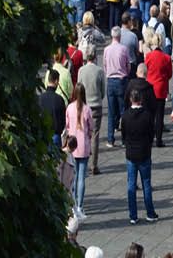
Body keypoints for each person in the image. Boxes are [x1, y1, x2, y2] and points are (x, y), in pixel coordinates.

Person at [122, 89, 158, 225]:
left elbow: (124, 135)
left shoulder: (125, 116)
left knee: (131, 185)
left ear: (131, 100)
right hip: (144, 153)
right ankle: (150, 213)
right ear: (141, 99)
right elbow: (151, 134)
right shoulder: (147, 115)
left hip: (131, 154)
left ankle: (133, 215)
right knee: (146, 184)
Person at [64, 83, 93, 220]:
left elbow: (67, 125)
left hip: (73, 145)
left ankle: (74, 205)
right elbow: (91, 128)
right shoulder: (87, 109)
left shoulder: (69, 108)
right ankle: (80, 206)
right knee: (81, 177)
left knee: (73, 177)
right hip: (84, 145)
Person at [77, 45, 106, 175]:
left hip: (84, 105)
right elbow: (103, 91)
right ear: (95, 56)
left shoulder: (81, 71)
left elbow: (78, 87)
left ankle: (82, 161)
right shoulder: (99, 71)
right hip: (96, 106)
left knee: (83, 133)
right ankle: (94, 165)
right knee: (95, 135)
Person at [144, 35, 172, 148]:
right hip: (161, 88)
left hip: (150, 87)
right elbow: (169, 74)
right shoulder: (166, 58)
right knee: (159, 116)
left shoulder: (149, 56)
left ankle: (149, 138)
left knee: (150, 115)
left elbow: (145, 70)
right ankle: (159, 139)